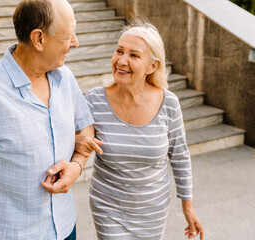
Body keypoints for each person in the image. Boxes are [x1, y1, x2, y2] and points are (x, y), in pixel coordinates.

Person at [0, 0, 102, 239]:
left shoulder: (66, 77)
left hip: (65, 227)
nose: (75, 42)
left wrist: (76, 166)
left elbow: (86, 128)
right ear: (39, 38)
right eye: (68, 35)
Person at [76, 19, 205, 240]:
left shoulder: (169, 103)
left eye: (133, 55)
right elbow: (79, 145)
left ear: (152, 66)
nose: (121, 61)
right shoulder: (94, 100)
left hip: (152, 210)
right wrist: (77, 141)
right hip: (108, 207)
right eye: (119, 51)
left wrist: (188, 206)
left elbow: (180, 155)